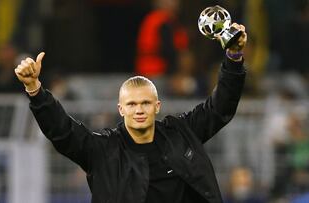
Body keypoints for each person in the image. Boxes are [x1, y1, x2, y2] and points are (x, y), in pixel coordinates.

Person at [15, 23, 247, 203]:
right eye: (132, 104)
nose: (139, 110)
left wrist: (234, 58)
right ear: (121, 109)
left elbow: (220, 107)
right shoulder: (103, 151)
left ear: (157, 106)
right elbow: (62, 131)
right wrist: (34, 89)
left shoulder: (181, 133)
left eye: (145, 103)